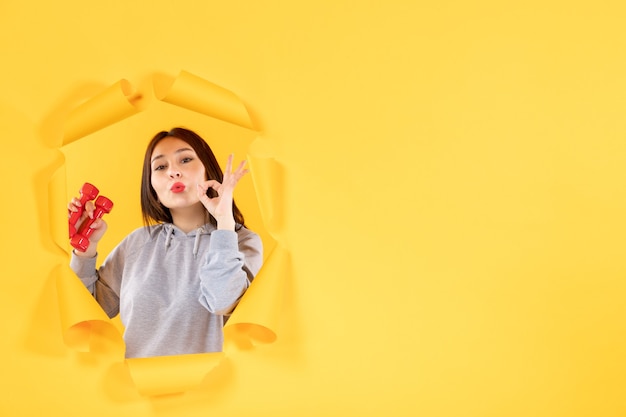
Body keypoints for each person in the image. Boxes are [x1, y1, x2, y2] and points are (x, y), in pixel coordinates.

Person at [68, 127, 263, 358]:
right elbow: (86, 313)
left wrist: (224, 223)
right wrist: (85, 250)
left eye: (185, 159)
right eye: (161, 167)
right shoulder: (137, 243)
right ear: (152, 186)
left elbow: (223, 301)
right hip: (136, 388)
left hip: (213, 389)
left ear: (207, 170)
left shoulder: (240, 241)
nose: (173, 172)